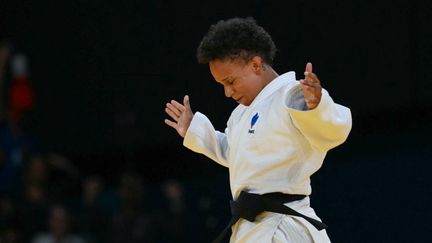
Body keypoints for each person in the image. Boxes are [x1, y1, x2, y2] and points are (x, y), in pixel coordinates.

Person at [164, 17, 352, 243]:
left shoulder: (292, 95)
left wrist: (317, 106)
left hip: (284, 227)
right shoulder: (241, 114)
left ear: (255, 64)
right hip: (251, 228)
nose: (227, 92)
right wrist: (196, 130)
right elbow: (236, 155)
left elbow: (334, 131)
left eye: (231, 81)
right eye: (222, 85)